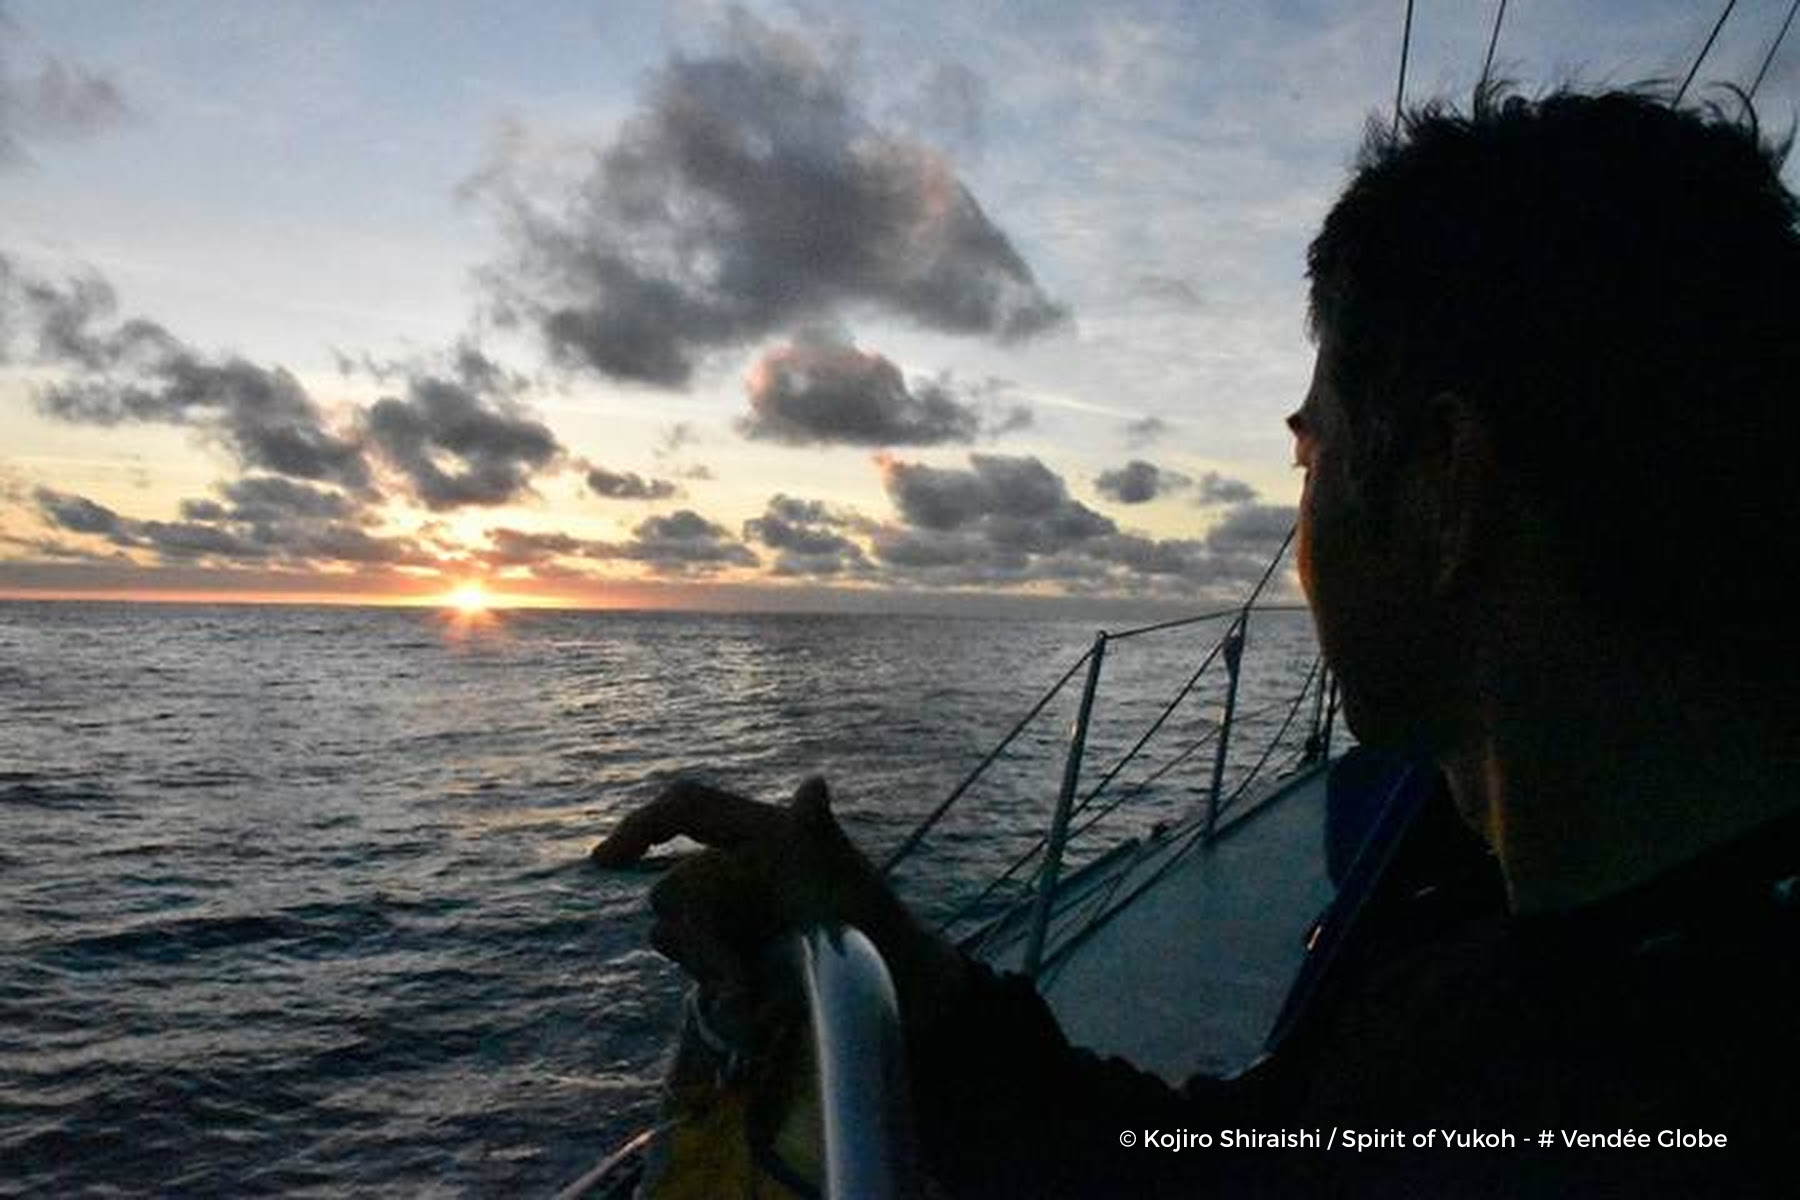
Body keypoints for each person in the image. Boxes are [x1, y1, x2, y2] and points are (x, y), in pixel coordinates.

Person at [593, 86, 1800, 1197]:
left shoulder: (1545, 1085)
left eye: (1308, 451)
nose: (1303, 508)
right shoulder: (1513, 975)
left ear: (1441, 490)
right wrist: (907, 961)